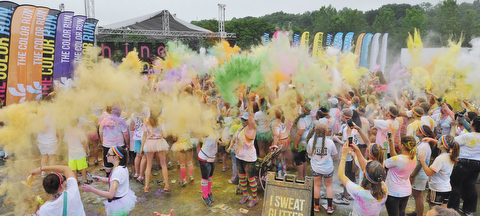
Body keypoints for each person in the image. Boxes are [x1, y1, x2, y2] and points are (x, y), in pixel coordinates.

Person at [82, 146, 137, 216]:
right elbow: (117, 181)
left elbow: (110, 195)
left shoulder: (117, 172)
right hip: (123, 199)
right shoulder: (122, 166)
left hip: (118, 206)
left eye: (108, 154)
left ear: (116, 157)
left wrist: (91, 189)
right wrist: (101, 179)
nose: (106, 155)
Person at [338, 141, 388, 216]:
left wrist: (344, 155)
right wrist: (357, 150)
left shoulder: (360, 192)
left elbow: (341, 175)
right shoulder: (385, 188)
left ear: (365, 174)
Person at [448, 116, 480, 216]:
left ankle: (453, 209)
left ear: (473, 125)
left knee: (455, 185)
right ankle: (469, 210)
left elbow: (451, 142)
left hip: (463, 162)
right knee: (470, 185)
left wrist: (453, 128)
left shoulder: (467, 136)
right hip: (477, 163)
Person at [418, 135, 459, 208]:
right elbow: (441, 143)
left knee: (434, 210)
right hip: (446, 188)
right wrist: (431, 139)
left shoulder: (440, 159)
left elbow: (429, 173)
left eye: (439, 140)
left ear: (443, 145)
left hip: (437, 188)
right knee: (443, 210)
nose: (437, 141)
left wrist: (422, 161)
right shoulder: (451, 155)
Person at [229, 112, 258, 208]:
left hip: (249, 158)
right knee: (241, 177)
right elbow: (234, 138)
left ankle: (255, 198)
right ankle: (245, 195)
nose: (242, 121)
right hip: (239, 156)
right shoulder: (240, 128)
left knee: (251, 178)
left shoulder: (252, 129)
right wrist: (229, 147)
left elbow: (253, 126)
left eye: (245, 120)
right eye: (242, 119)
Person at [307, 124, 337, 213]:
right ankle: (330, 207)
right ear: (326, 132)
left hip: (316, 168)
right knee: (329, 186)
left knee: (317, 186)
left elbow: (309, 154)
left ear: (315, 132)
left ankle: (316, 206)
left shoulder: (311, 141)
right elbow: (334, 154)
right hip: (328, 168)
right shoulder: (330, 142)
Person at [385, 136, 417, 216]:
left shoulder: (397, 159)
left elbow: (384, 163)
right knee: (401, 213)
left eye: (399, 142)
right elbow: (396, 158)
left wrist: (385, 148)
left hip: (393, 192)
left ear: (402, 145)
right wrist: (391, 144)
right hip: (405, 191)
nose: (398, 143)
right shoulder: (413, 158)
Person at [139, 110, 170, 193]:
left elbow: (144, 135)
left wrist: (141, 148)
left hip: (150, 142)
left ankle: (146, 187)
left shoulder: (146, 121)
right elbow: (166, 134)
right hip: (159, 142)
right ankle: (166, 185)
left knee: (149, 165)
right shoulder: (161, 121)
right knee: (163, 164)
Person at [408, 125, 434, 216]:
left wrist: (412, 176)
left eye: (418, 130)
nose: (416, 130)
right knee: (417, 194)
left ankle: (419, 214)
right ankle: (416, 212)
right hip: (418, 173)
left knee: (418, 195)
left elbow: (419, 164)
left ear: (422, 133)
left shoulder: (423, 147)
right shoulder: (422, 143)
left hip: (419, 174)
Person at [99, 106, 129, 177]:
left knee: (108, 161)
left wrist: (102, 142)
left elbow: (101, 133)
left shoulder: (104, 121)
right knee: (120, 161)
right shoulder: (121, 121)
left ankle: (108, 176)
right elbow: (126, 134)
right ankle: (120, 176)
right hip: (119, 145)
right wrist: (127, 143)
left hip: (107, 144)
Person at [65, 120, 91, 185]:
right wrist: (87, 150)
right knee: (83, 167)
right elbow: (83, 142)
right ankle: (85, 180)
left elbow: (66, 142)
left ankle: (76, 180)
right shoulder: (79, 132)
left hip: (71, 153)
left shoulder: (67, 133)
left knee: (73, 168)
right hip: (80, 152)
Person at [291, 103, 313, 180]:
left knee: (298, 159)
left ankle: (300, 177)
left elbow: (299, 133)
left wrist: (296, 144)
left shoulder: (302, 120)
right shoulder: (309, 116)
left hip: (300, 142)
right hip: (305, 142)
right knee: (303, 158)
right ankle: (305, 174)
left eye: (302, 107)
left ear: (304, 109)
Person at [197, 128, 218, 207]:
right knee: (205, 178)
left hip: (212, 158)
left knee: (210, 177)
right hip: (204, 157)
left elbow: (215, 141)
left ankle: (209, 193)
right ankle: (205, 196)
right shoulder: (205, 129)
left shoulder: (213, 128)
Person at [271, 107, 291, 178]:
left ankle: (279, 174)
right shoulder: (284, 119)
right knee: (283, 157)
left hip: (280, 142)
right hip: (286, 140)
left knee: (278, 158)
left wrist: (274, 146)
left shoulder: (276, 123)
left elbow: (276, 135)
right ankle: (284, 172)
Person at [130, 109, 146, 180]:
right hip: (144, 136)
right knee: (144, 156)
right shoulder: (146, 113)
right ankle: (141, 175)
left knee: (138, 156)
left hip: (136, 136)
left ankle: (137, 173)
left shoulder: (133, 115)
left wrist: (137, 128)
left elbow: (131, 128)